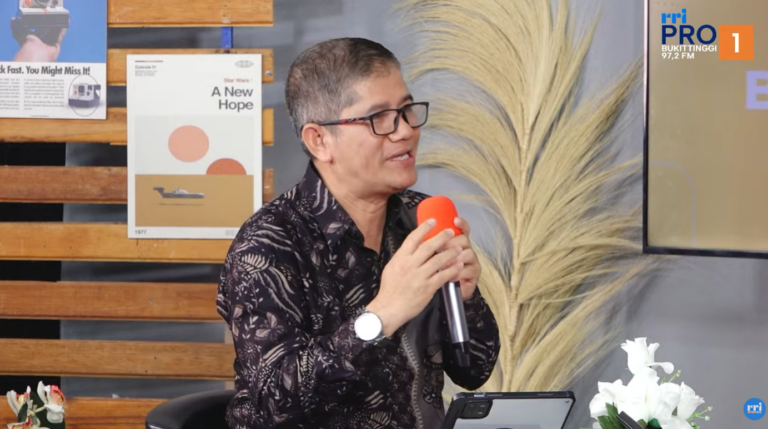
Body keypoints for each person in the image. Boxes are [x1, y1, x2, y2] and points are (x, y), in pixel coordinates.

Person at [216, 37, 500, 429]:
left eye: (406, 110)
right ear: (319, 140)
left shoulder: (421, 219)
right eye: (379, 118)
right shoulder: (268, 243)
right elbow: (275, 403)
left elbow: (474, 371)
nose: (405, 131)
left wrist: (465, 299)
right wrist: (380, 317)